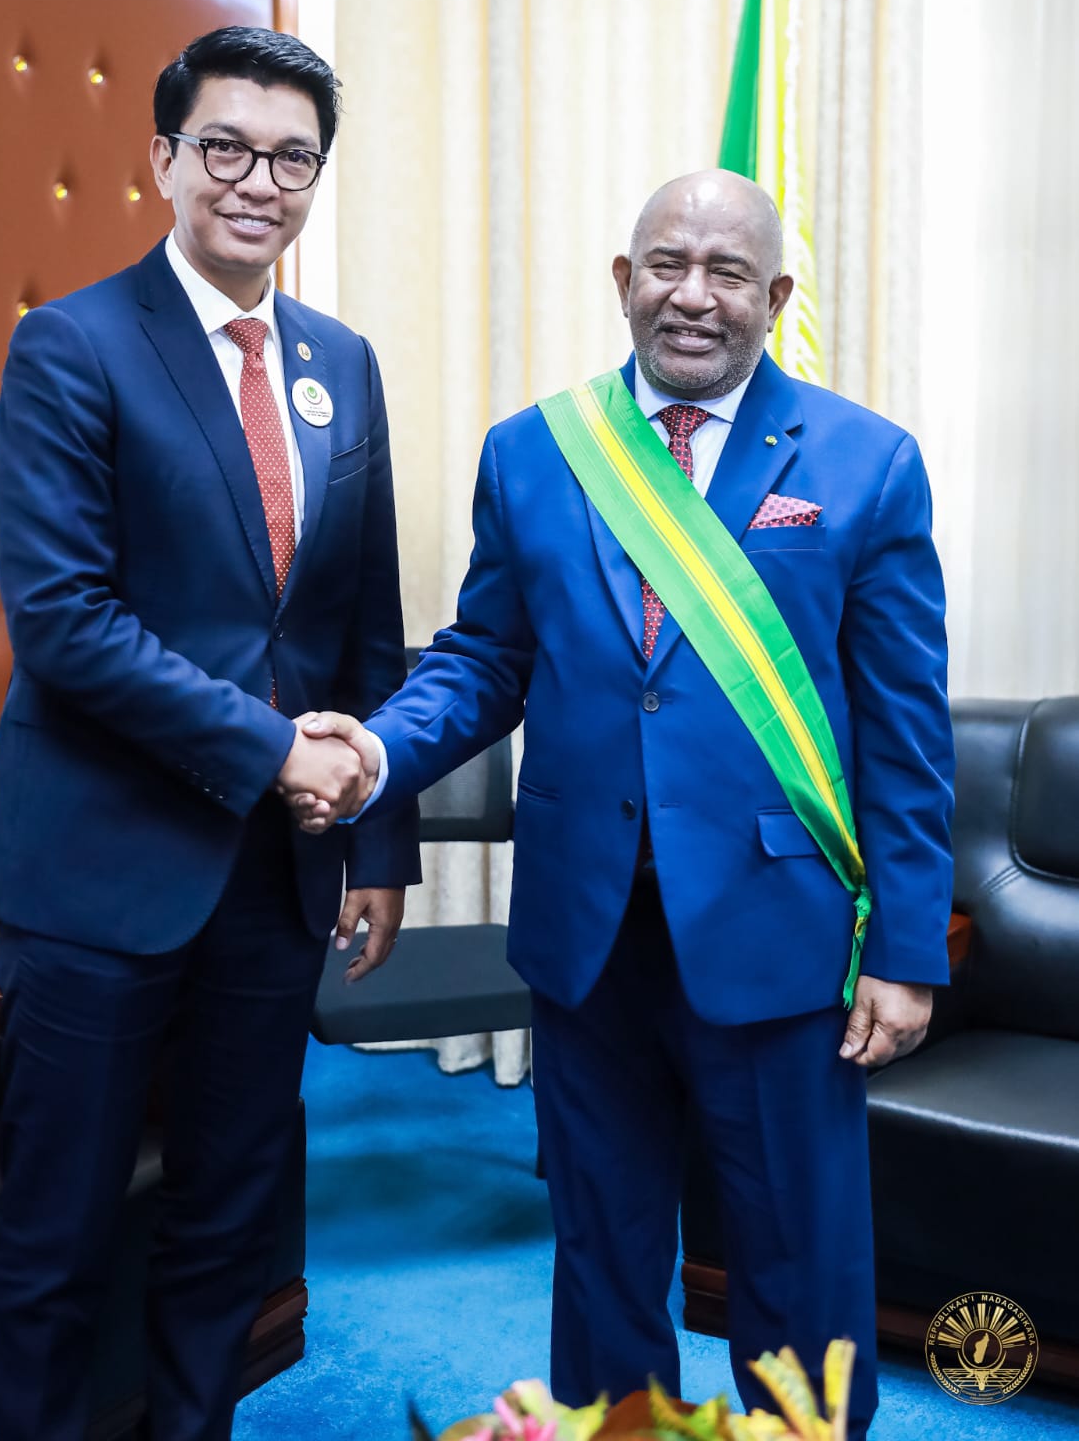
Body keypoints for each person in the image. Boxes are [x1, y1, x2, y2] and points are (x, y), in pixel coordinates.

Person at [294, 171, 954, 1438]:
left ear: (775, 298)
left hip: (776, 927)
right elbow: (486, 660)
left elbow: (906, 730)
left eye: (725, 273)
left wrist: (909, 949)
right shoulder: (536, 451)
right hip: (585, 928)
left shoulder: (867, 464)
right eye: (666, 264)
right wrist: (375, 754)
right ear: (623, 280)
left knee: (796, 1260)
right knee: (600, 1244)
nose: (691, 296)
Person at [0, 26, 418, 1441]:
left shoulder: (342, 362)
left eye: (292, 157)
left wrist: (380, 843)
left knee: (230, 1220)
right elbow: (67, 623)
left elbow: (362, 629)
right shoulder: (73, 346)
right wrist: (278, 754)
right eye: (225, 146)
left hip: (276, 882)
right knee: (54, 1243)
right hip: (101, 874)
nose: (257, 181)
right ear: (163, 159)